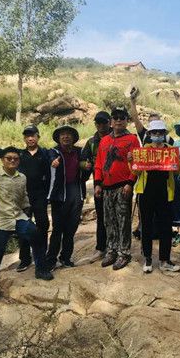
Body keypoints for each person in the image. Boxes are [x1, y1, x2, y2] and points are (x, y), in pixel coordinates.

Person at [0, 147, 53, 302]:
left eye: (15, 158)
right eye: (9, 158)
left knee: (36, 236)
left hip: (18, 216)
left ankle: (41, 270)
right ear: (2, 160)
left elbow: (23, 197)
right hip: (0, 220)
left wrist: (27, 211)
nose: (12, 161)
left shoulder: (22, 177)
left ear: (18, 161)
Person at [0, 125, 52, 273]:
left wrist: (48, 194)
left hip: (40, 196)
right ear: (24, 138)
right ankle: (25, 259)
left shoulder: (45, 153)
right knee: (23, 230)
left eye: (33, 135)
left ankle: (42, 258)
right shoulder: (19, 154)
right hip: (21, 197)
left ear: (38, 137)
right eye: (27, 136)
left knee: (42, 225)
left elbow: (52, 168)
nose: (30, 138)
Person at [130, 120, 180, 273]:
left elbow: (176, 171)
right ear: (149, 134)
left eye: (160, 132)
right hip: (146, 193)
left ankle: (164, 260)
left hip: (165, 193)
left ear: (164, 134)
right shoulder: (143, 151)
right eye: (154, 132)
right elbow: (136, 172)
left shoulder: (171, 150)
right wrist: (131, 161)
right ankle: (147, 258)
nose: (157, 134)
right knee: (146, 226)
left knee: (166, 227)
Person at [94, 106, 141, 270]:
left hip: (123, 186)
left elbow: (136, 163)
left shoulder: (132, 139)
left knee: (123, 220)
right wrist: (97, 183)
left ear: (127, 121)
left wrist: (130, 182)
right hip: (106, 187)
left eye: (122, 118)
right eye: (116, 118)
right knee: (109, 220)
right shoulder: (104, 140)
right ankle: (111, 250)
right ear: (111, 121)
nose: (119, 120)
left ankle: (124, 253)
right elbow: (99, 163)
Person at [46, 125, 90, 270]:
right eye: (63, 135)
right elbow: (50, 160)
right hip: (59, 195)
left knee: (71, 229)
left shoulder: (79, 152)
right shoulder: (54, 152)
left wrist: (87, 167)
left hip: (76, 192)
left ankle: (65, 257)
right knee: (57, 229)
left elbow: (85, 171)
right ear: (58, 138)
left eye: (68, 134)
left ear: (73, 138)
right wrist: (53, 162)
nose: (66, 137)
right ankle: (51, 260)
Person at [80, 111, 112, 263]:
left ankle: (116, 247)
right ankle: (101, 247)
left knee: (117, 217)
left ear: (109, 122)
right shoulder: (91, 142)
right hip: (99, 184)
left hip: (117, 184)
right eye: (98, 123)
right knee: (101, 216)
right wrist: (85, 165)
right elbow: (82, 160)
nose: (101, 125)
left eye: (104, 122)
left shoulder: (117, 137)